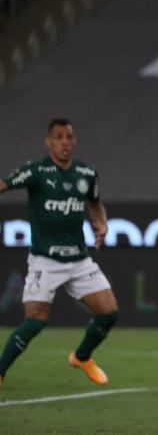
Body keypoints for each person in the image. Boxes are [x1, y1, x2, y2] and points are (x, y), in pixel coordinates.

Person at [0, 118, 118, 387]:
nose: (65, 142)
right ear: (49, 142)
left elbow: (95, 203)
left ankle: (82, 357)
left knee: (109, 312)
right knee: (35, 321)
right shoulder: (36, 170)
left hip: (78, 259)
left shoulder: (87, 174)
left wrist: (101, 222)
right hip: (45, 260)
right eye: (59, 137)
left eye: (69, 136)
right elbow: (4, 184)